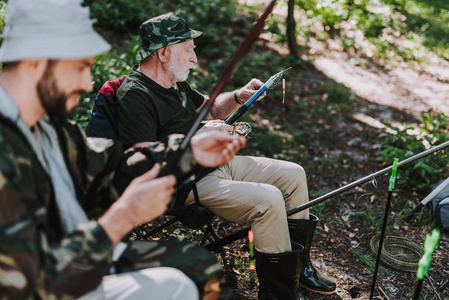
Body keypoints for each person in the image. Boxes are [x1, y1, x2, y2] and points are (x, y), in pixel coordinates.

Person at [0, 1, 246, 299]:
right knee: (178, 283)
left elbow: (109, 165)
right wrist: (120, 220)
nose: (87, 83)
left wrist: (186, 150)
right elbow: (27, 283)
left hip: (79, 256)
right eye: (79, 68)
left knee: (194, 263)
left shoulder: (49, 131)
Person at [111, 12, 337, 299]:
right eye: (188, 50)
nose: (194, 58)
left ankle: (299, 270)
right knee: (268, 199)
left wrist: (240, 97)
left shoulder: (173, 82)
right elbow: (142, 163)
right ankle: (279, 294)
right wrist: (196, 138)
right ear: (164, 52)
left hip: (212, 167)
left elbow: (211, 109)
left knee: (293, 174)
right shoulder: (135, 95)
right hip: (184, 183)